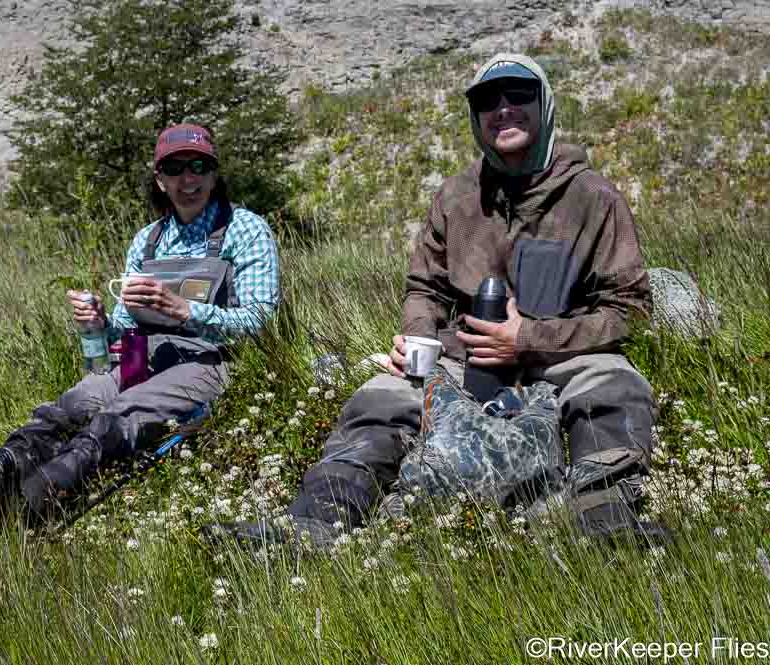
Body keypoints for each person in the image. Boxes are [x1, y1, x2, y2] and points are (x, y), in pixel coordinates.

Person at [216, 54, 667, 547]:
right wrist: (418, 341)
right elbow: (424, 288)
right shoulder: (455, 197)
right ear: (474, 116)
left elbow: (628, 307)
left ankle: (604, 520)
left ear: (544, 105)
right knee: (379, 398)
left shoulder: (593, 197)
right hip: (464, 354)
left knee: (615, 387)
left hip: (562, 352)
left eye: (519, 95)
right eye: (487, 100)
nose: (503, 109)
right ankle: (317, 520)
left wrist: (530, 338)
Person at [0, 123, 281, 524]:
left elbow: (260, 321)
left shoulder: (246, 230)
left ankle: (18, 509)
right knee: (69, 407)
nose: (188, 178)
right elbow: (123, 328)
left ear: (214, 174)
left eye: (198, 166)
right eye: (175, 168)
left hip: (208, 362)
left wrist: (184, 310)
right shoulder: (146, 240)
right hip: (136, 355)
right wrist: (97, 324)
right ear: (159, 180)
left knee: (119, 417)